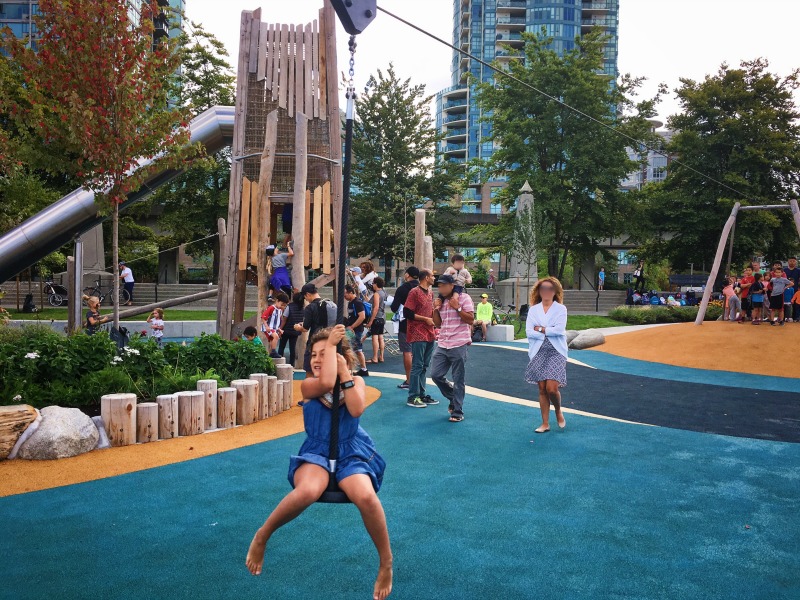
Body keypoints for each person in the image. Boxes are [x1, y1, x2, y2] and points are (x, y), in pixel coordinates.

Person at [245, 325, 392, 600]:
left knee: (367, 497)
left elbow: (357, 408)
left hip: (350, 452)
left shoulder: (356, 381)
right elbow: (325, 383)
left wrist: (346, 373)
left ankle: (386, 562)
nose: (316, 359)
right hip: (317, 451)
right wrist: (331, 349)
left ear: (341, 357)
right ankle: (263, 535)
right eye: (314, 354)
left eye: (324, 354)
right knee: (308, 491)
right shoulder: (309, 384)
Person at [525, 277, 568, 433]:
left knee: (551, 388)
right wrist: (546, 331)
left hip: (556, 351)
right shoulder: (533, 309)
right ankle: (545, 423)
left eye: (550, 288)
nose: (546, 291)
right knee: (542, 388)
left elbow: (559, 330)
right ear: (539, 290)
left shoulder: (560, 309)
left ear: (555, 291)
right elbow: (528, 331)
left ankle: (557, 410)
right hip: (538, 351)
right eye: (543, 288)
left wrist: (541, 329)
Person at [431, 274, 474, 422]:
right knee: (436, 375)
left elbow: (470, 319)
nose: (440, 288)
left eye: (443, 285)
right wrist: (435, 309)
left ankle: (457, 411)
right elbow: (437, 324)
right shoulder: (440, 301)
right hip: (443, 343)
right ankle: (453, 397)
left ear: (451, 285)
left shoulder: (464, 298)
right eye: (439, 285)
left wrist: (458, 307)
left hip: (459, 343)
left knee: (458, 379)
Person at [403, 269, 437, 408]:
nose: (434, 278)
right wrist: (425, 319)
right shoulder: (414, 292)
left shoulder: (430, 292)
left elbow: (430, 311)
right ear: (427, 277)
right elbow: (407, 312)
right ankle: (413, 396)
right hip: (418, 332)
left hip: (429, 332)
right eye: (433, 276)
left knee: (424, 365)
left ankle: (422, 394)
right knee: (417, 365)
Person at [389, 266, 419, 390]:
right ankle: (418, 379)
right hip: (421, 323)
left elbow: (394, 307)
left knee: (407, 351)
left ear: (407, 275)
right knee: (418, 353)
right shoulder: (423, 288)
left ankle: (409, 380)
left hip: (406, 323)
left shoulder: (403, 289)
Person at [295, 283, 333, 374]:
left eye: (305, 297)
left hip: (314, 341)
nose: (306, 300)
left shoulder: (310, 307)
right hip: (329, 340)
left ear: (308, 294)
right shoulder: (329, 303)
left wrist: (297, 327)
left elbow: (305, 328)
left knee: (310, 371)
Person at [344, 284, 369, 377]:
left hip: (356, 330)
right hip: (353, 329)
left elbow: (362, 316)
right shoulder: (351, 302)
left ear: (350, 292)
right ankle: (363, 369)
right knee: (356, 349)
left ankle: (362, 369)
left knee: (356, 349)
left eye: (345, 294)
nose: (344, 296)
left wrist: (352, 327)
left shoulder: (357, 302)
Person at [279, 292, 305, 366]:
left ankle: (279, 363)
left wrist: (280, 328)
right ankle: (292, 364)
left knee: (281, 347)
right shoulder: (302, 308)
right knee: (292, 348)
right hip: (295, 331)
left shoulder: (289, 306)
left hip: (286, 330)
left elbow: (285, 319)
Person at [261, 292, 289, 358]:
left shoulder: (280, 310)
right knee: (276, 336)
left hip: (274, 328)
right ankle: (273, 351)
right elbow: (263, 317)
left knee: (273, 339)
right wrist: (266, 326)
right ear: (277, 301)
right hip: (269, 327)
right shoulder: (271, 308)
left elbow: (277, 321)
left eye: (285, 306)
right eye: (282, 304)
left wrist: (279, 329)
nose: (283, 307)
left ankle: (271, 353)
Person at [366, 277, 387, 364]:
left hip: (376, 317)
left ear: (376, 284)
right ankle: (381, 356)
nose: (373, 285)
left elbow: (376, 307)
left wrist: (371, 320)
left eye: (373, 283)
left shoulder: (376, 294)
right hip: (382, 317)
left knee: (374, 337)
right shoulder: (384, 293)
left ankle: (375, 357)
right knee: (381, 337)